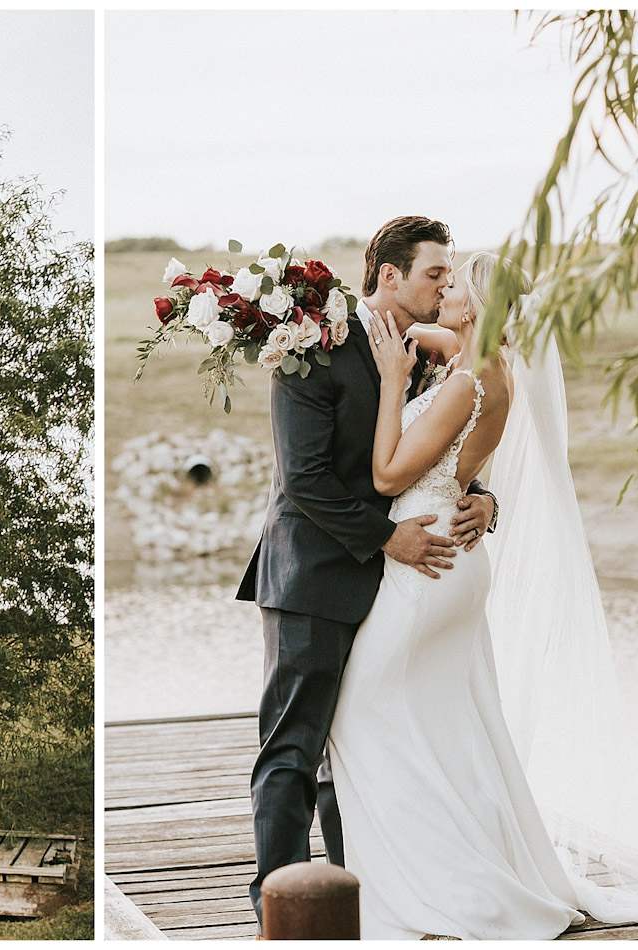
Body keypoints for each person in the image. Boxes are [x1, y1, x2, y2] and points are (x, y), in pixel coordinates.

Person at [329, 253, 638, 940]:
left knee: (362, 708)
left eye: (454, 285)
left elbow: (389, 474)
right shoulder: (486, 362)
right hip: (452, 555)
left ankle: (434, 881)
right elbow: (442, 345)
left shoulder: (469, 382)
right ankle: (464, 860)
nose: (443, 290)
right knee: (453, 725)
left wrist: (391, 382)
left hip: (429, 562)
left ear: (478, 305)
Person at [235, 216, 496, 919]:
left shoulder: (428, 352)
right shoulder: (312, 345)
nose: (447, 285)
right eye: (435, 273)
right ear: (390, 276)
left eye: (449, 275)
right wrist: (389, 539)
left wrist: (483, 498)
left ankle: (363, 897)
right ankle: (280, 908)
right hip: (312, 576)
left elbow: (446, 452)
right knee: (294, 746)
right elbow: (305, 480)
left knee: (352, 749)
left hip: (391, 589)